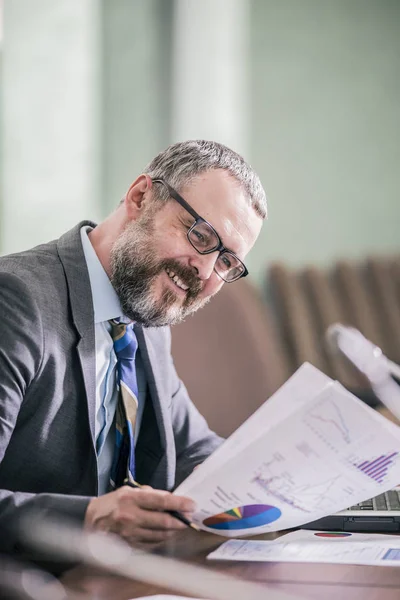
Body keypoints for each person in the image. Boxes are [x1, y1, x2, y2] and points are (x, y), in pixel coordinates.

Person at [0, 140, 266, 553]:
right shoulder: (15, 301)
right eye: (201, 235)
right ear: (141, 197)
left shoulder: (145, 314)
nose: (206, 270)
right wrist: (90, 519)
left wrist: (288, 476)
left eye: (227, 261)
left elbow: (193, 448)